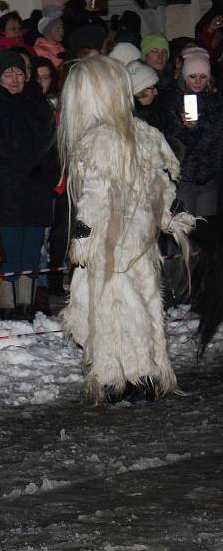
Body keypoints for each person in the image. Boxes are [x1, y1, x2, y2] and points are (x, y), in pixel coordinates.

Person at [59, 56, 194, 404]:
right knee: (144, 299)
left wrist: (81, 242)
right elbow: (163, 187)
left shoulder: (94, 143)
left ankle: (117, 378)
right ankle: (146, 374)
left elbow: (92, 198)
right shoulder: (145, 134)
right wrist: (168, 218)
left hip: (108, 242)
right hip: (140, 240)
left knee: (112, 307)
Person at [0, 50, 56, 319]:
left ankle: (27, 304)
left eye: (19, 73)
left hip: (37, 189)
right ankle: (8, 307)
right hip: (7, 190)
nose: (14, 79)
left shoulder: (38, 103)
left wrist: (45, 171)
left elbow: (50, 141)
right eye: (8, 73)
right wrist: (28, 164)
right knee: (9, 251)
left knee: (32, 251)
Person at [161, 47, 223, 217]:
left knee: (206, 231)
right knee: (185, 228)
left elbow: (215, 140)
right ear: (185, 76)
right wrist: (186, 128)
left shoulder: (216, 103)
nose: (198, 81)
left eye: (203, 77)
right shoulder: (174, 101)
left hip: (209, 179)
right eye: (193, 76)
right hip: (185, 178)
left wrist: (198, 127)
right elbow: (171, 143)